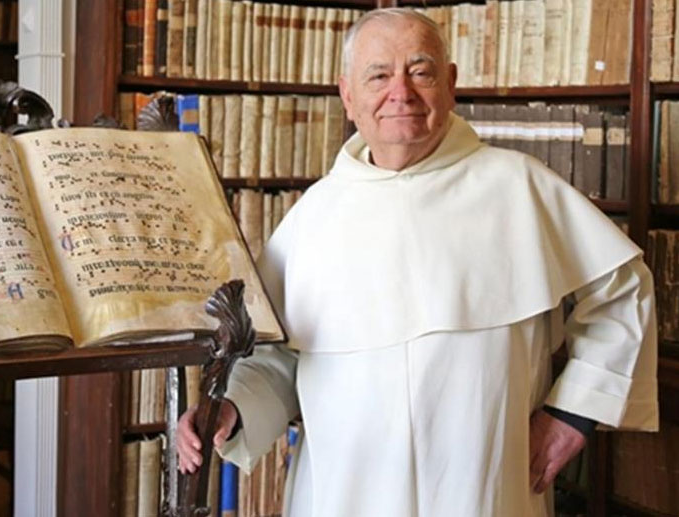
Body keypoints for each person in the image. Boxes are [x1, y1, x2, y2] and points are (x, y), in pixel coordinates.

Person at [177, 8, 658, 517]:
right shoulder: (314, 215)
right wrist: (232, 409)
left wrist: (571, 415)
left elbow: (622, 292)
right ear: (347, 94)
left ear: (450, 84)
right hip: (347, 492)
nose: (400, 93)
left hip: (485, 485)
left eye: (420, 72)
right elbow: (278, 358)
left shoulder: (521, 186)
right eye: (378, 76)